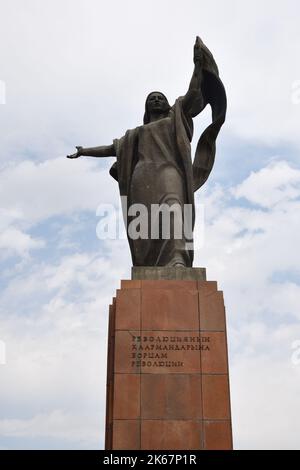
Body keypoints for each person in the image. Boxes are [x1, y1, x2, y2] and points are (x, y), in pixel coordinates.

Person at [67, 37, 226, 267]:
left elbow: (193, 92)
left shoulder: (176, 117)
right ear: (146, 107)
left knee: (174, 210)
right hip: (142, 178)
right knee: (146, 224)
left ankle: (177, 259)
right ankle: (150, 266)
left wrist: (197, 66)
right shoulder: (136, 134)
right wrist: (84, 151)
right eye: (152, 99)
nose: (156, 100)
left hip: (169, 173)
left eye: (160, 97)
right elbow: (112, 149)